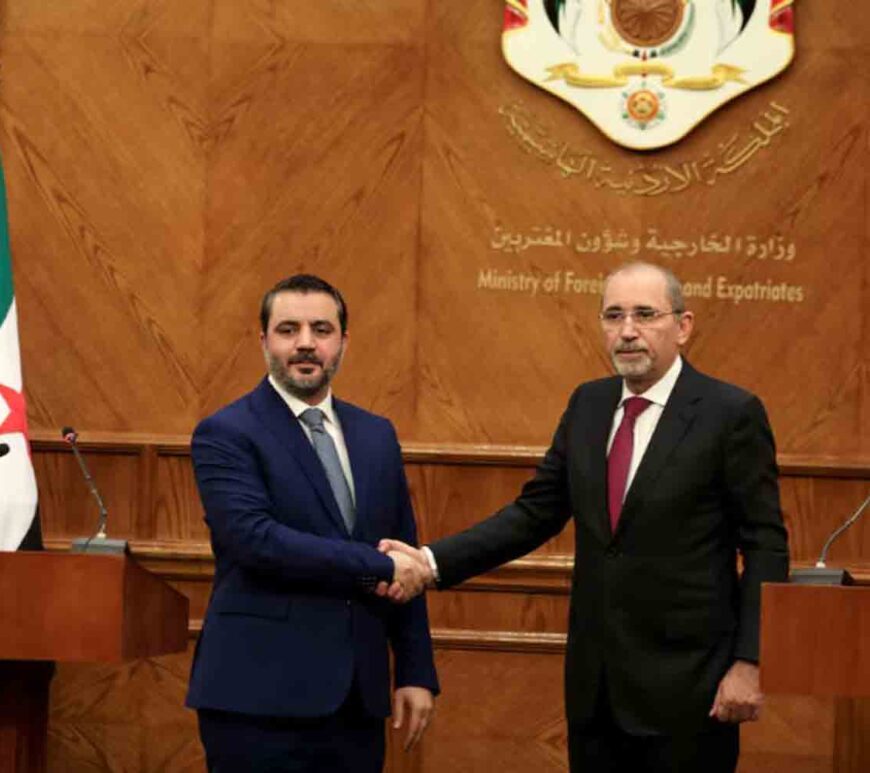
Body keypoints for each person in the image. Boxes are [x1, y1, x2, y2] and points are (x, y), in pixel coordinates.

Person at [381, 262, 789, 773]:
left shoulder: (731, 414)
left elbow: (765, 545)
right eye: (613, 316)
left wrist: (750, 663)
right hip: (596, 694)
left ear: (683, 326)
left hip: (692, 691)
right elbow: (535, 514)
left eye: (645, 315)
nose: (627, 331)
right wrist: (430, 561)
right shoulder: (589, 405)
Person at [187, 274, 439, 772]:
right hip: (256, 700)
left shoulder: (376, 435)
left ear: (343, 341)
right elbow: (255, 541)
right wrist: (381, 565)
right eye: (288, 329)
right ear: (263, 341)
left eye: (321, 329)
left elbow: (402, 547)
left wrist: (415, 671)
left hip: (356, 702)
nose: (305, 343)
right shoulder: (225, 433)